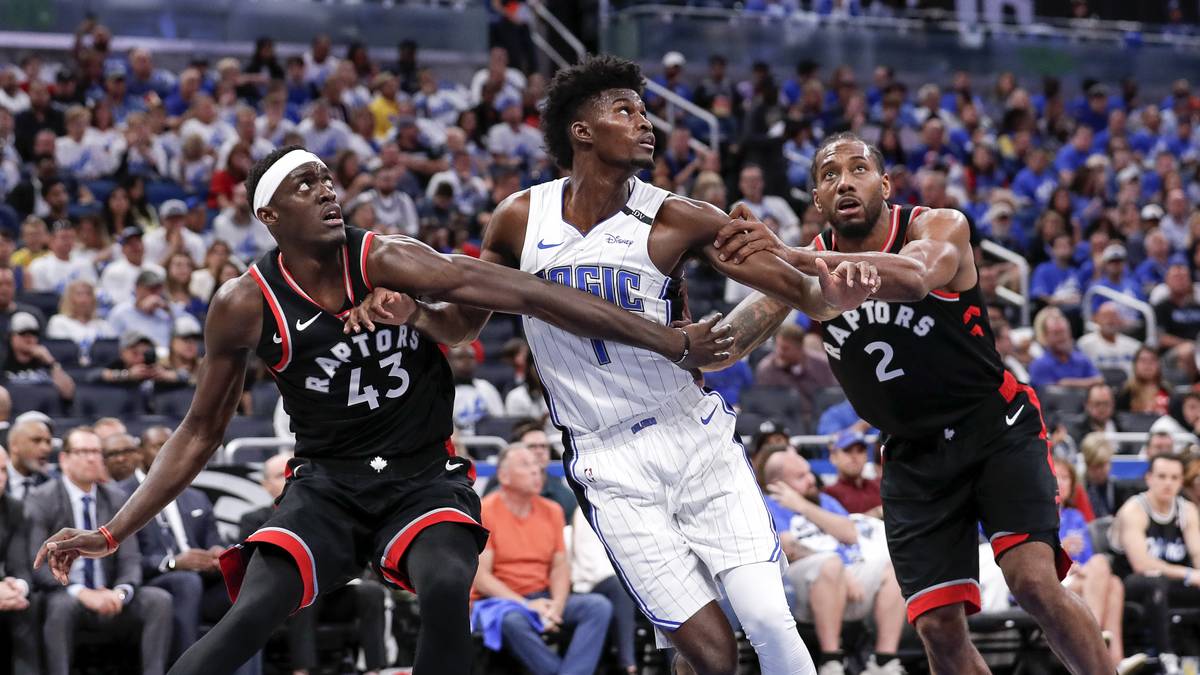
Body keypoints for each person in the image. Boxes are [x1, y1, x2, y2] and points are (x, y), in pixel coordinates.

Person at [35, 143, 729, 675]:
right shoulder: (243, 303)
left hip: (422, 474)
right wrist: (113, 530)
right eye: (305, 184)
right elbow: (199, 431)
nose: (328, 190)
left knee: (449, 584)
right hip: (327, 486)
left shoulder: (390, 258)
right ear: (270, 216)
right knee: (248, 615)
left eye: (329, 178)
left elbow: (521, 292)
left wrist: (670, 340)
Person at [346, 56, 882, 675]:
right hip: (606, 460)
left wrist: (830, 295)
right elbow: (460, 327)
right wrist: (408, 311)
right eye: (625, 111)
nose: (645, 123)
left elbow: (801, 292)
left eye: (644, 111)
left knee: (767, 620)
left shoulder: (678, 217)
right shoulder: (521, 218)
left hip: (692, 436)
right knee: (708, 655)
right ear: (581, 130)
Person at [710, 131, 1113, 674]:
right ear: (817, 199)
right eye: (829, 175)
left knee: (1034, 582)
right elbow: (725, 346)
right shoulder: (810, 271)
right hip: (913, 454)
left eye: (857, 169)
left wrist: (786, 253)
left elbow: (919, 277)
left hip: (993, 427)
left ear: (885, 184)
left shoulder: (937, 225)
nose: (845, 181)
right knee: (937, 627)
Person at [26, 427, 173, 675]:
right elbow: (38, 564)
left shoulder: (116, 498)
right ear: (63, 459)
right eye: (83, 452)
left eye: (96, 451)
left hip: (111, 595)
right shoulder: (42, 498)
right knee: (59, 607)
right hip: (69, 596)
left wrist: (120, 593)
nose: (93, 458)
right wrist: (82, 593)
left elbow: (130, 559)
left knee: (158, 600)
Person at [239, 453, 387, 675]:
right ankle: (302, 670)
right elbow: (252, 565)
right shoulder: (254, 519)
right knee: (303, 594)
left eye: (296, 473)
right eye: (281, 475)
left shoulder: (326, 514)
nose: (290, 479)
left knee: (371, 591)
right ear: (265, 485)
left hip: (331, 589)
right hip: (286, 595)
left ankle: (374, 669)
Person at [473, 444, 613, 674]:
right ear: (503, 475)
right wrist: (527, 606)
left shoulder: (553, 510)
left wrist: (556, 606)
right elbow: (481, 579)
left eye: (537, 465)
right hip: (500, 602)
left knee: (597, 607)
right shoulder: (486, 511)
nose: (536, 469)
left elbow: (559, 567)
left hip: (544, 597)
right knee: (512, 621)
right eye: (525, 465)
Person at [1110, 454, 1200, 673]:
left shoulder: (1186, 510)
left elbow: (1197, 555)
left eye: (1174, 477)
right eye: (1162, 476)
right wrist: (1188, 574)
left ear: (1181, 481)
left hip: (1173, 582)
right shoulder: (1135, 509)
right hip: (1130, 583)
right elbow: (1141, 563)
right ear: (1149, 478)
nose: (1168, 483)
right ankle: (1166, 657)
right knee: (1154, 582)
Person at [1052, 455, 1143, 673]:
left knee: (1113, 583)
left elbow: (1088, 559)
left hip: (1082, 581)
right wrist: (1062, 552)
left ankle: (1114, 659)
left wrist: (1079, 568)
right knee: (1104, 572)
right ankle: (1097, 642)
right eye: (1056, 477)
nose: (1061, 483)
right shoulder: (1036, 515)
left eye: (1066, 478)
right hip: (1052, 581)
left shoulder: (1075, 516)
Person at [0, 446, 39, 675]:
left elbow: (20, 565)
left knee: (25, 605)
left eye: (4, 470)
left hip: (4, 593)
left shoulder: (13, 508)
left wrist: (18, 588)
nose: (1, 478)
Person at [2, 311, 77, 402]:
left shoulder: (47, 365)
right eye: (23, 334)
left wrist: (51, 363)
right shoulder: (3, 364)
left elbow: (68, 393)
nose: (29, 338)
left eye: (33, 334)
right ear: (11, 337)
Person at [823, 430, 882, 517]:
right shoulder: (828, 494)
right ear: (833, 457)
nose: (854, 456)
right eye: (847, 450)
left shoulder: (880, 485)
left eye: (860, 451)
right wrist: (878, 512)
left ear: (866, 456)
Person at [4, 417, 53, 501]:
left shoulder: (52, 487)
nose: (46, 448)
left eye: (48, 442)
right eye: (36, 440)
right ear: (14, 445)